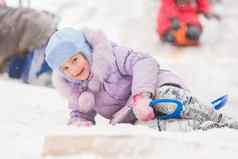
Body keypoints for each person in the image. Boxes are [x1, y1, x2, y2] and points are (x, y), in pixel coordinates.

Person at [45, 28, 238, 131]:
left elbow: (145, 62)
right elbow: (80, 113)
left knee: (166, 96)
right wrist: (79, 123)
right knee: (150, 128)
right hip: (132, 117)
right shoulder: (78, 91)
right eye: (66, 68)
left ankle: (219, 118)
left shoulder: (111, 56)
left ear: (85, 50)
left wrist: (142, 97)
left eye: (75, 60)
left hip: (155, 88)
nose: (74, 69)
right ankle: (205, 128)